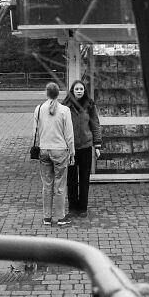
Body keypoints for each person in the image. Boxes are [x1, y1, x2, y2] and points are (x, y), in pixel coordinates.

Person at [33, 82, 75, 226]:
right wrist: (72, 151)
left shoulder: (38, 109)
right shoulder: (65, 110)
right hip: (60, 150)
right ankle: (60, 216)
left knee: (47, 184)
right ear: (58, 94)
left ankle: (47, 217)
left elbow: (35, 131)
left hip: (44, 150)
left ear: (46, 93)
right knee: (60, 184)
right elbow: (69, 134)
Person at [62, 80, 102, 218]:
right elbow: (60, 126)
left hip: (85, 147)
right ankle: (72, 208)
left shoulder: (90, 105)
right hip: (70, 149)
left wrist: (97, 145)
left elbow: (95, 124)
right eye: (76, 89)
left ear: (84, 91)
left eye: (81, 89)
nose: (79, 91)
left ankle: (83, 208)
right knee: (71, 179)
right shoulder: (65, 106)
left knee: (84, 178)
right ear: (72, 91)